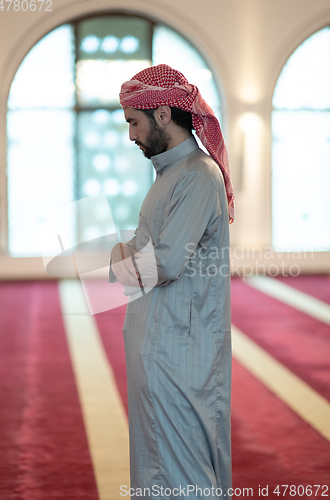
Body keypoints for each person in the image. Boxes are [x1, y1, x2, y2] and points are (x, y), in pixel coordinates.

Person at [110, 64, 234, 499]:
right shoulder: (168, 176)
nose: (131, 136)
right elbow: (142, 251)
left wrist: (117, 258)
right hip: (157, 345)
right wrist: (122, 256)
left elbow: (162, 264)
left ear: (163, 113)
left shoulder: (199, 176)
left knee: (186, 469)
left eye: (133, 122)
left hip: (183, 352)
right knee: (157, 463)